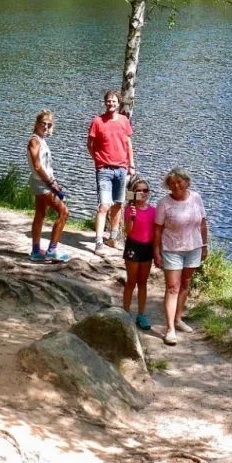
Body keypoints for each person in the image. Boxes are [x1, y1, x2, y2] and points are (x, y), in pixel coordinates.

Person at [153, 169, 208, 345]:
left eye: (179, 182)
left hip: (194, 247)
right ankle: (170, 329)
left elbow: (203, 223)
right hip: (172, 249)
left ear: (187, 182)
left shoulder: (196, 198)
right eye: (172, 183)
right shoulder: (164, 203)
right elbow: (157, 229)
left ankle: (178, 319)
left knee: (185, 284)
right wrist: (156, 251)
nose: (176, 186)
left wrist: (204, 246)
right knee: (172, 288)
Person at [86, 89, 135, 255]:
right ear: (105, 102)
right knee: (104, 206)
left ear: (119, 102)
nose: (111, 103)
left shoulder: (124, 120)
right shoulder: (97, 121)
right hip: (104, 170)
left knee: (119, 204)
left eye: (114, 101)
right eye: (108, 101)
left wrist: (132, 165)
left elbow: (128, 144)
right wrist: (98, 161)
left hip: (122, 169)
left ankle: (113, 238)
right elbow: (90, 145)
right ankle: (98, 241)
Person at [27, 110, 70, 263]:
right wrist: (51, 184)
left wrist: (54, 182)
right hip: (42, 184)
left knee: (40, 214)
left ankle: (36, 251)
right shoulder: (34, 141)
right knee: (64, 212)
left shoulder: (41, 139)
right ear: (36, 123)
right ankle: (52, 251)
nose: (45, 126)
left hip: (44, 182)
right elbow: (38, 166)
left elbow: (45, 167)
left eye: (49, 124)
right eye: (43, 123)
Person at [121, 178, 156, 330]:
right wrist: (132, 217)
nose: (142, 193)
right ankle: (125, 313)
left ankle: (141, 315)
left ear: (149, 193)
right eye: (139, 190)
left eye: (145, 190)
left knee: (143, 282)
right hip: (133, 246)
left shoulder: (154, 211)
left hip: (147, 248)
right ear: (133, 193)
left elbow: (156, 232)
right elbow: (127, 231)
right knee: (131, 281)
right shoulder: (129, 209)